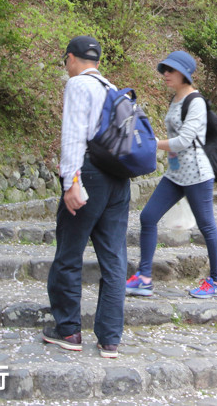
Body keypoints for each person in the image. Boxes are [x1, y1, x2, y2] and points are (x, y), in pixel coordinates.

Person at [44, 36, 130, 360]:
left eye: (66, 62)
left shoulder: (78, 85)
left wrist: (71, 183)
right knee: (114, 259)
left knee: (69, 251)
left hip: (89, 175)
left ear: (71, 58)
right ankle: (110, 338)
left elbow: (74, 136)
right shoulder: (112, 88)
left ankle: (68, 329)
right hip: (119, 180)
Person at [126, 50, 217, 300]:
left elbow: (183, 141)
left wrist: (151, 144)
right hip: (176, 174)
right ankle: (144, 278)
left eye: (170, 70)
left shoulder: (196, 102)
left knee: (206, 226)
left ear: (184, 74)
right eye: (164, 70)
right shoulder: (175, 99)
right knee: (148, 217)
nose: (165, 74)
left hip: (198, 175)